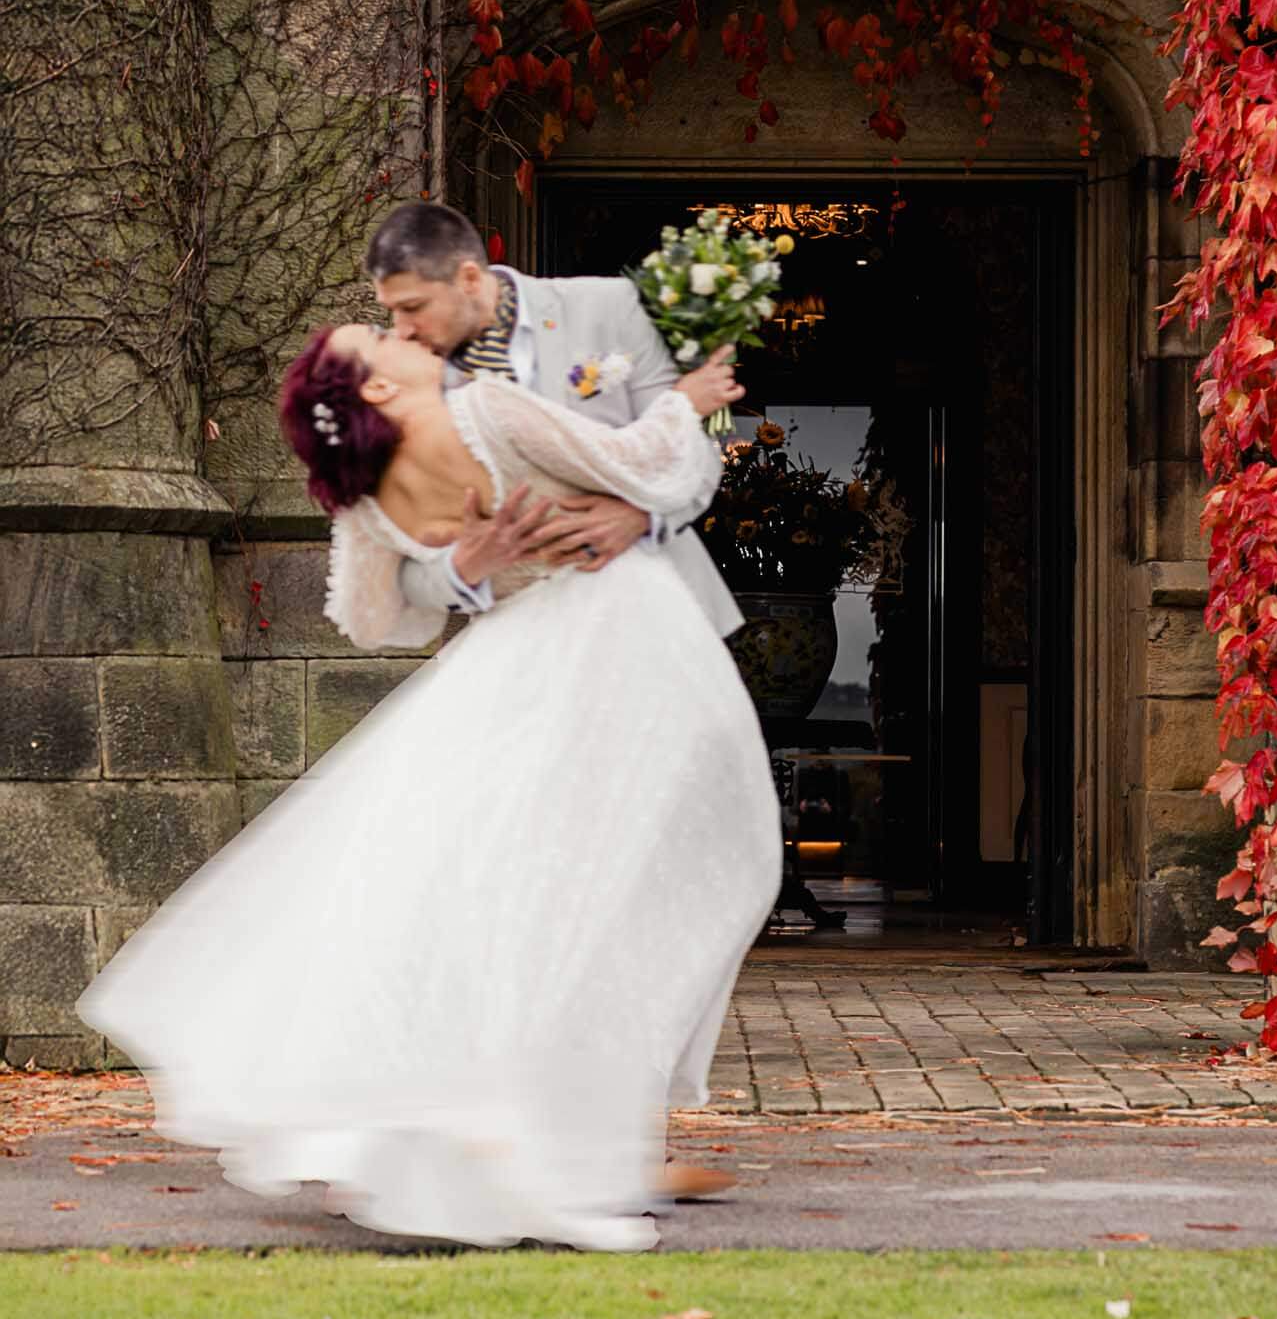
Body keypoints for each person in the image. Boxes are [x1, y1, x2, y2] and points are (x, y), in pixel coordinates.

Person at [77, 328, 781, 1252]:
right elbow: (633, 463)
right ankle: (533, 1122)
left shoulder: (369, 497)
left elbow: (373, 619)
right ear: (375, 379)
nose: (411, 339)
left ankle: (531, 1120)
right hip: (614, 648)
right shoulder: (484, 411)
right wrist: (686, 404)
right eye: (387, 338)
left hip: (513, 674)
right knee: (669, 874)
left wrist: (466, 566)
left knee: (498, 898)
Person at [363, 202, 741, 637]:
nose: (402, 328)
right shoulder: (409, 390)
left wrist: (642, 517)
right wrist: (466, 566)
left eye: (412, 306)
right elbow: (403, 573)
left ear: (468, 278)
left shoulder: (607, 305)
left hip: (656, 614)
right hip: (525, 636)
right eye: (391, 310)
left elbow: (691, 450)